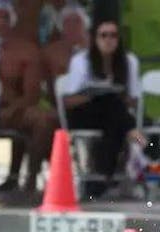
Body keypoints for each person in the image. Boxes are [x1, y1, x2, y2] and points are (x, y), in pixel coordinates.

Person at [61, 15, 143, 198]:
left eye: (113, 35)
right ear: (94, 38)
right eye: (103, 35)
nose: (108, 40)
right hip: (84, 113)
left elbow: (134, 100)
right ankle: (131, 132)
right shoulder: (81, 61)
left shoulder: (129, 62)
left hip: (113, 117)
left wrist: (115, 95)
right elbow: (69, 101)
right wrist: (94, 94)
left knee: (113, 113)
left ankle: (97, 183)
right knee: (109, 102)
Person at [0, 0, 58, 196]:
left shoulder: (26, 51)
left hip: (13, 108)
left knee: (45, 119)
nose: (0, 22)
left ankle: (30, 178)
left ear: (12, 21)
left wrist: (12, 109)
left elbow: (31, 94)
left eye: (5, 17)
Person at [42, 1, 88, 97]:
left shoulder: (98, 47)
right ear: (62, 27)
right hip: (63, 103)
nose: (72, 27)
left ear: (85, 25)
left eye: (77, 21)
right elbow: (47, 86)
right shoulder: (50, 52)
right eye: (67, 22)